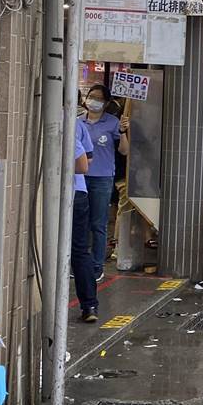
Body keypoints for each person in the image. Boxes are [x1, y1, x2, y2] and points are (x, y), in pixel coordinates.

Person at [80, 85, 129, 282]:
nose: (94, 101)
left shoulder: (113, 123)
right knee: (80, 223)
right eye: (91, 97)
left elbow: (124, 151)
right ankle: (80, 263)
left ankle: (97, 265)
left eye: (99, 98)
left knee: (98, 224)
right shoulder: (78, 122)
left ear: (106, 103)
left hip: (102, 179)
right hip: (80, 178)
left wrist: (124, 131)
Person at [72, 119, 98, 323]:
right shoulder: (75, 122)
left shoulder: (63, 121)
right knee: (79, 250)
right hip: (77, 191)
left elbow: (83, 163)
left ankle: (89, 304)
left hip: (71, 193)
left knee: (78, 251)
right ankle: (89, 305)